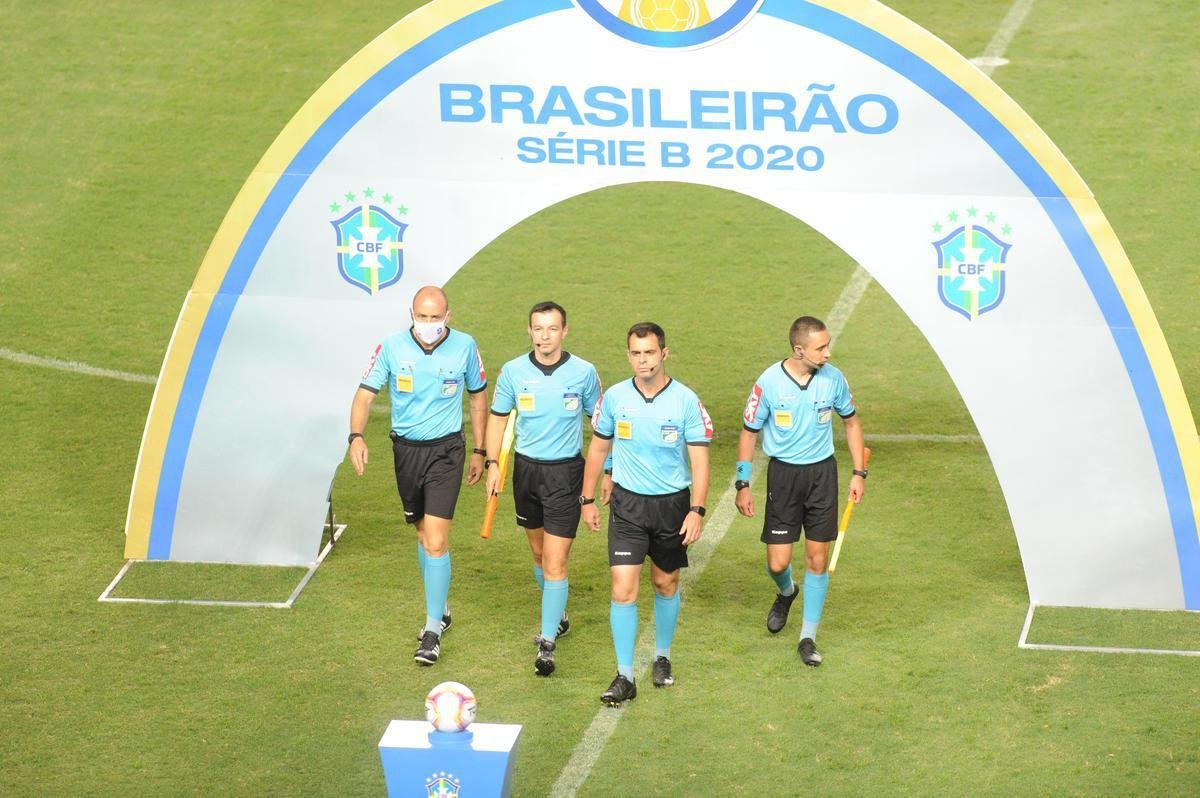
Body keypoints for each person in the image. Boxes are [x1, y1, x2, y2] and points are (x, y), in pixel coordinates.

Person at [347, 285, 488, 666]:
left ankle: (431, 630)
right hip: (405, 452)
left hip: (447, 451)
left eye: (435, 317)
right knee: (423, 535)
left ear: (448, 316)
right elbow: (364, 394)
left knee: (438, 540)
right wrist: (356, 436)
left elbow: (477, 396)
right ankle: (440, 608)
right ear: (412, 315)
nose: (428, 324)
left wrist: (479, 449)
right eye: (422, 317)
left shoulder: (465, 346)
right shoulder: (391, 347)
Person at [580, 322, 712, 706]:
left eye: (649, 353)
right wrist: (587, 499)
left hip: (671, 504)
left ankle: (662, 656)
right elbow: (598, 449)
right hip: (628, 505)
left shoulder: (686, 400)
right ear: (628, 355)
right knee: (623, 589)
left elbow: (699, 461)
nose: (643, 360)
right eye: (636, 353)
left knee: (665, 583)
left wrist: (697, 510)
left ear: (664, 354)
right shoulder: (615, 398)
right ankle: (624, 675)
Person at [734, 316, 866, 667]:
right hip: (783, 477)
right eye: (820, 347)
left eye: (827, 345)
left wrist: (858, 472)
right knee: (777, 562)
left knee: (817, 559)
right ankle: (786, 591)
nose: (827, 352)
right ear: (799, 349)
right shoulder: (769, 383)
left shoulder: (833, 379)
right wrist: (742, 483)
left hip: (823, 476)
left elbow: (851, 421)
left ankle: (807, 637)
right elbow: (749, 432)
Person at [485, 301, 604, 677]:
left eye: (552, 328)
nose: (545, 335)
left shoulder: (584, 373)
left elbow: (602, 424)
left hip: (566, 475)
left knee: (555, 561)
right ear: (530, 330)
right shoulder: (513, 372)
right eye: (539, 328)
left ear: (564, 331)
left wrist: (611, 470)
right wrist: (491, 464)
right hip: (526, 472)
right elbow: (497, 419)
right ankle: (559, 613)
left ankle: (547, 642)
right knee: (538, 555)